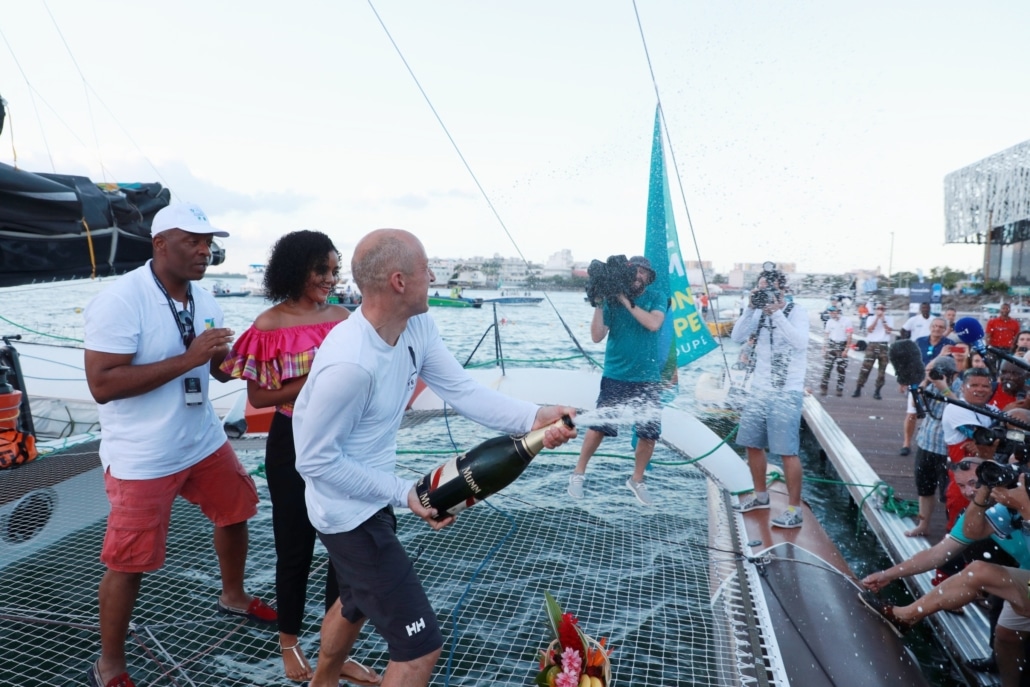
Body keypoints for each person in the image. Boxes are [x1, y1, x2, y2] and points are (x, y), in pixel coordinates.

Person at [292, 228, 577, 687]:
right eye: (428, 269)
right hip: (345, 513)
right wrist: (404, 493)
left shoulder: (415, 326)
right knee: (419, 648)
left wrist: (536, 416)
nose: (435, 277)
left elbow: (462, 391)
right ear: (400, 281)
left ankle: (321, 683)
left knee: (354, 602)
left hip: (372, 496)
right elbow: (314, 462)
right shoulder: (349, 364)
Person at [82, 203, 276, 687]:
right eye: (192, 241)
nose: (204, 251)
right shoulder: (121, 301)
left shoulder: (206, 299)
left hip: (202, 439)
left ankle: (232, 595)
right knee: (129, 562)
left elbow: (213, 367)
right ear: (160, 244)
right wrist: (188, 356)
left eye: (208, 242)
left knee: (236, 511)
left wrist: (257, 361)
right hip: (142, 456)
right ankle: (110, 664)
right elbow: (102, 384)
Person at [219, 230, 379, 685]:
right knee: (295, 547)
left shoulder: (347, 318)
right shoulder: (268, 324)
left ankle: (338, 651)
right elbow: (257, 395)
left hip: (344, 438)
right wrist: (319, 380)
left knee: (344, 550)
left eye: (334, 270)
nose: (330, 278)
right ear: (294, 269)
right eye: (320, 270)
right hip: (291, 438)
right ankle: (289, 639)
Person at [567, 255, 668, 505]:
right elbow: (596, 336)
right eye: (635, 271)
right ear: (627, 272)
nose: (639, 276)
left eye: (644, 272)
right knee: (599, 426)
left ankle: (637, 479)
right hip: (616, 375)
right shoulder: (611, 300)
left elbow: (654, 324)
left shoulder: (656, 297)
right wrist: (600, 302)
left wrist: (625, 300)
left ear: (649, 277)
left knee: (649, 433)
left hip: (647, 378)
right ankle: (578, 473)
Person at [730, 267, 809, 528]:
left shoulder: (796, 312)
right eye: (761, 288)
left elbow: (800, 342)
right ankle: (760, 495)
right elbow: (737, 337)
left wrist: (777, 313)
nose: (766, 293)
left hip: (787, 391)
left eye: (770, 289)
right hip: (759, 389)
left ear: (783, 290)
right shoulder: (757, 312)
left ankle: (794, 510)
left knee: (787, 451)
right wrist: (751, 308)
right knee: (752, 444)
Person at [906, 354, 958, 537]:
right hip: (926, 444)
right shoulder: (930, 385)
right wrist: (925, 382)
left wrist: (944, 388)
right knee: (924, 488)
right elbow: (915, 404)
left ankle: (952, 532)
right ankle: (923, 525)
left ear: (954, 374)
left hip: (947, 450)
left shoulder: (959, 387)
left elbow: (959, 407)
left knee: (949, 495)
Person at [900, 317, 954, 456]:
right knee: (912, 413)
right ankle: (906, 443)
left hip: (939, 383)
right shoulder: (920, 341)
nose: (937, 329)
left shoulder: (949, 344)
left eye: (941, 327)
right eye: (935, 326)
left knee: (936, 415)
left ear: (944, 330)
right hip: (919, 381)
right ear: (930, 327)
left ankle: (930, 444)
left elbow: (952, 365)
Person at [851, 302, 892, 399]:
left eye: (882, 309)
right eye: (878, 308)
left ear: (885, 310)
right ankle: (858, 388)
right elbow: (870, 329)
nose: (880, 310)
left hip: (883, 345)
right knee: (865, 368)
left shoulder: (889, 318)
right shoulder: (870, 318)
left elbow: (888, 330)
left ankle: (877, 391)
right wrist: (877, 318)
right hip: (872, 345)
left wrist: (883, 320)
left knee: (882, 370)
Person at [819, 305, 853, 397]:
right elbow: (826, 335)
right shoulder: (829, 322)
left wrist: (846, 350)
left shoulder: (847, 321)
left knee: (841, 369)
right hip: (832, 344)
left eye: (833, 312)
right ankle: (824, 387)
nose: (831, 314)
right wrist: (824, 348)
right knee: (827, 368)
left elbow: (849, 336)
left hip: (842, 345)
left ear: (838, 311)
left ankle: (839, 388)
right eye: (830, 312)